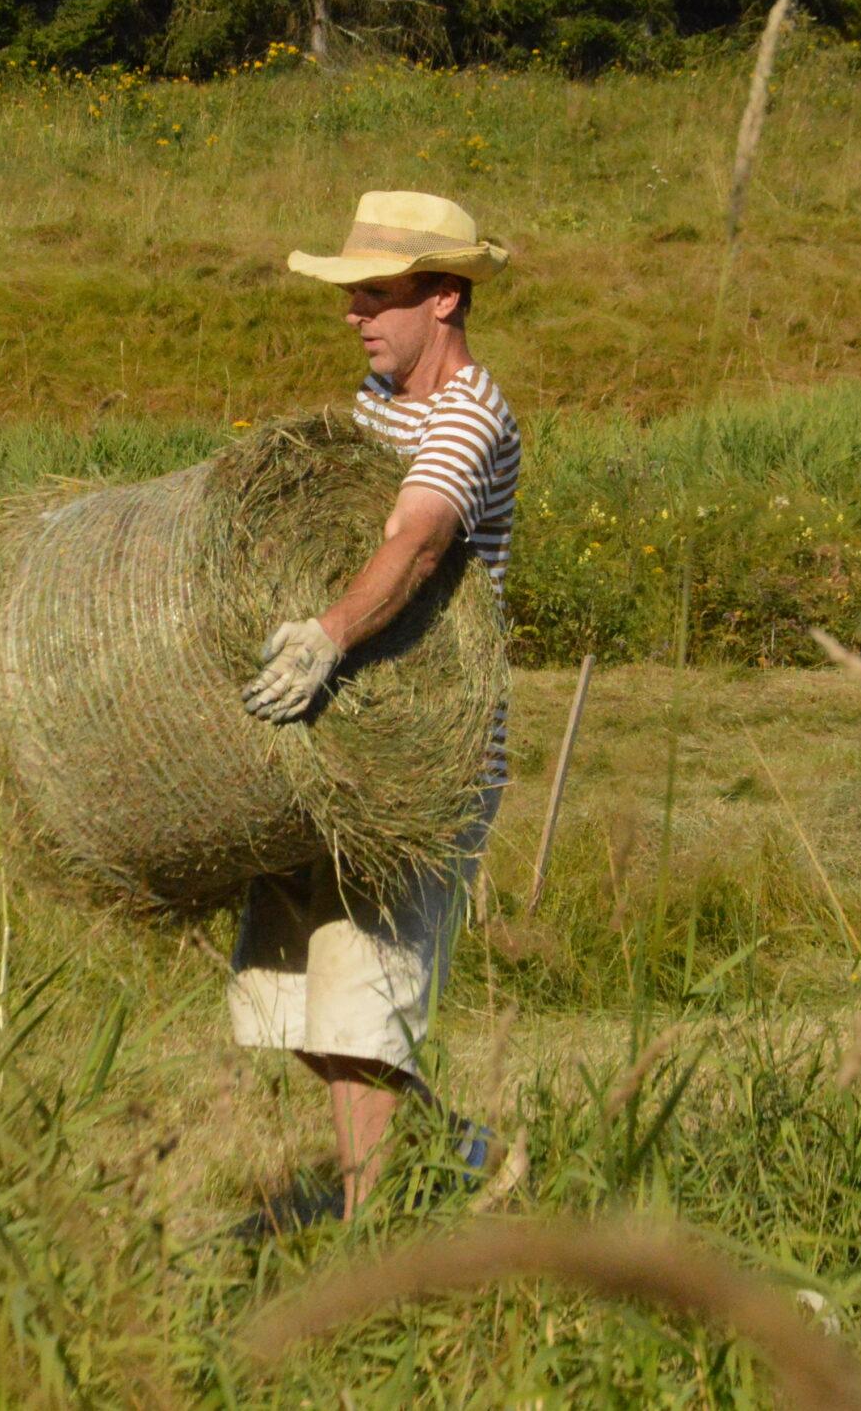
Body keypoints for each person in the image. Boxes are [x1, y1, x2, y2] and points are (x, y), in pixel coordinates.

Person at [234, 190, 519, 1227]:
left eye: (377, 296)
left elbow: (418, 537)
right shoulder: (376, 400)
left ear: (444, 297)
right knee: (309, 1011)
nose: (356, 316)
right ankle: (461, 1150)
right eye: (352, 296)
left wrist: (327, 636)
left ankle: (372, 1239)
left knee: (363, 1011)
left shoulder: (468, 414)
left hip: (427, 755)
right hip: (350, 736)